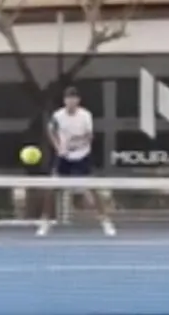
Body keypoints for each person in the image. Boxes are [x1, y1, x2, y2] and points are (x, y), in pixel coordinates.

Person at [38, 86, 115, 236]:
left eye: (74, 98)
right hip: (63, 158)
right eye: (68, 98)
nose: (71, 101)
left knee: (92, 189)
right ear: (64, 101)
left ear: (78, 101)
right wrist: (58, 146)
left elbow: (89, 136)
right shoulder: (58, 115)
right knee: (51, 188)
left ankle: (105, 222)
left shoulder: (85, 115)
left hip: (82, 156)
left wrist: (77, 142)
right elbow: (51, 130)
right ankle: (45, 222)